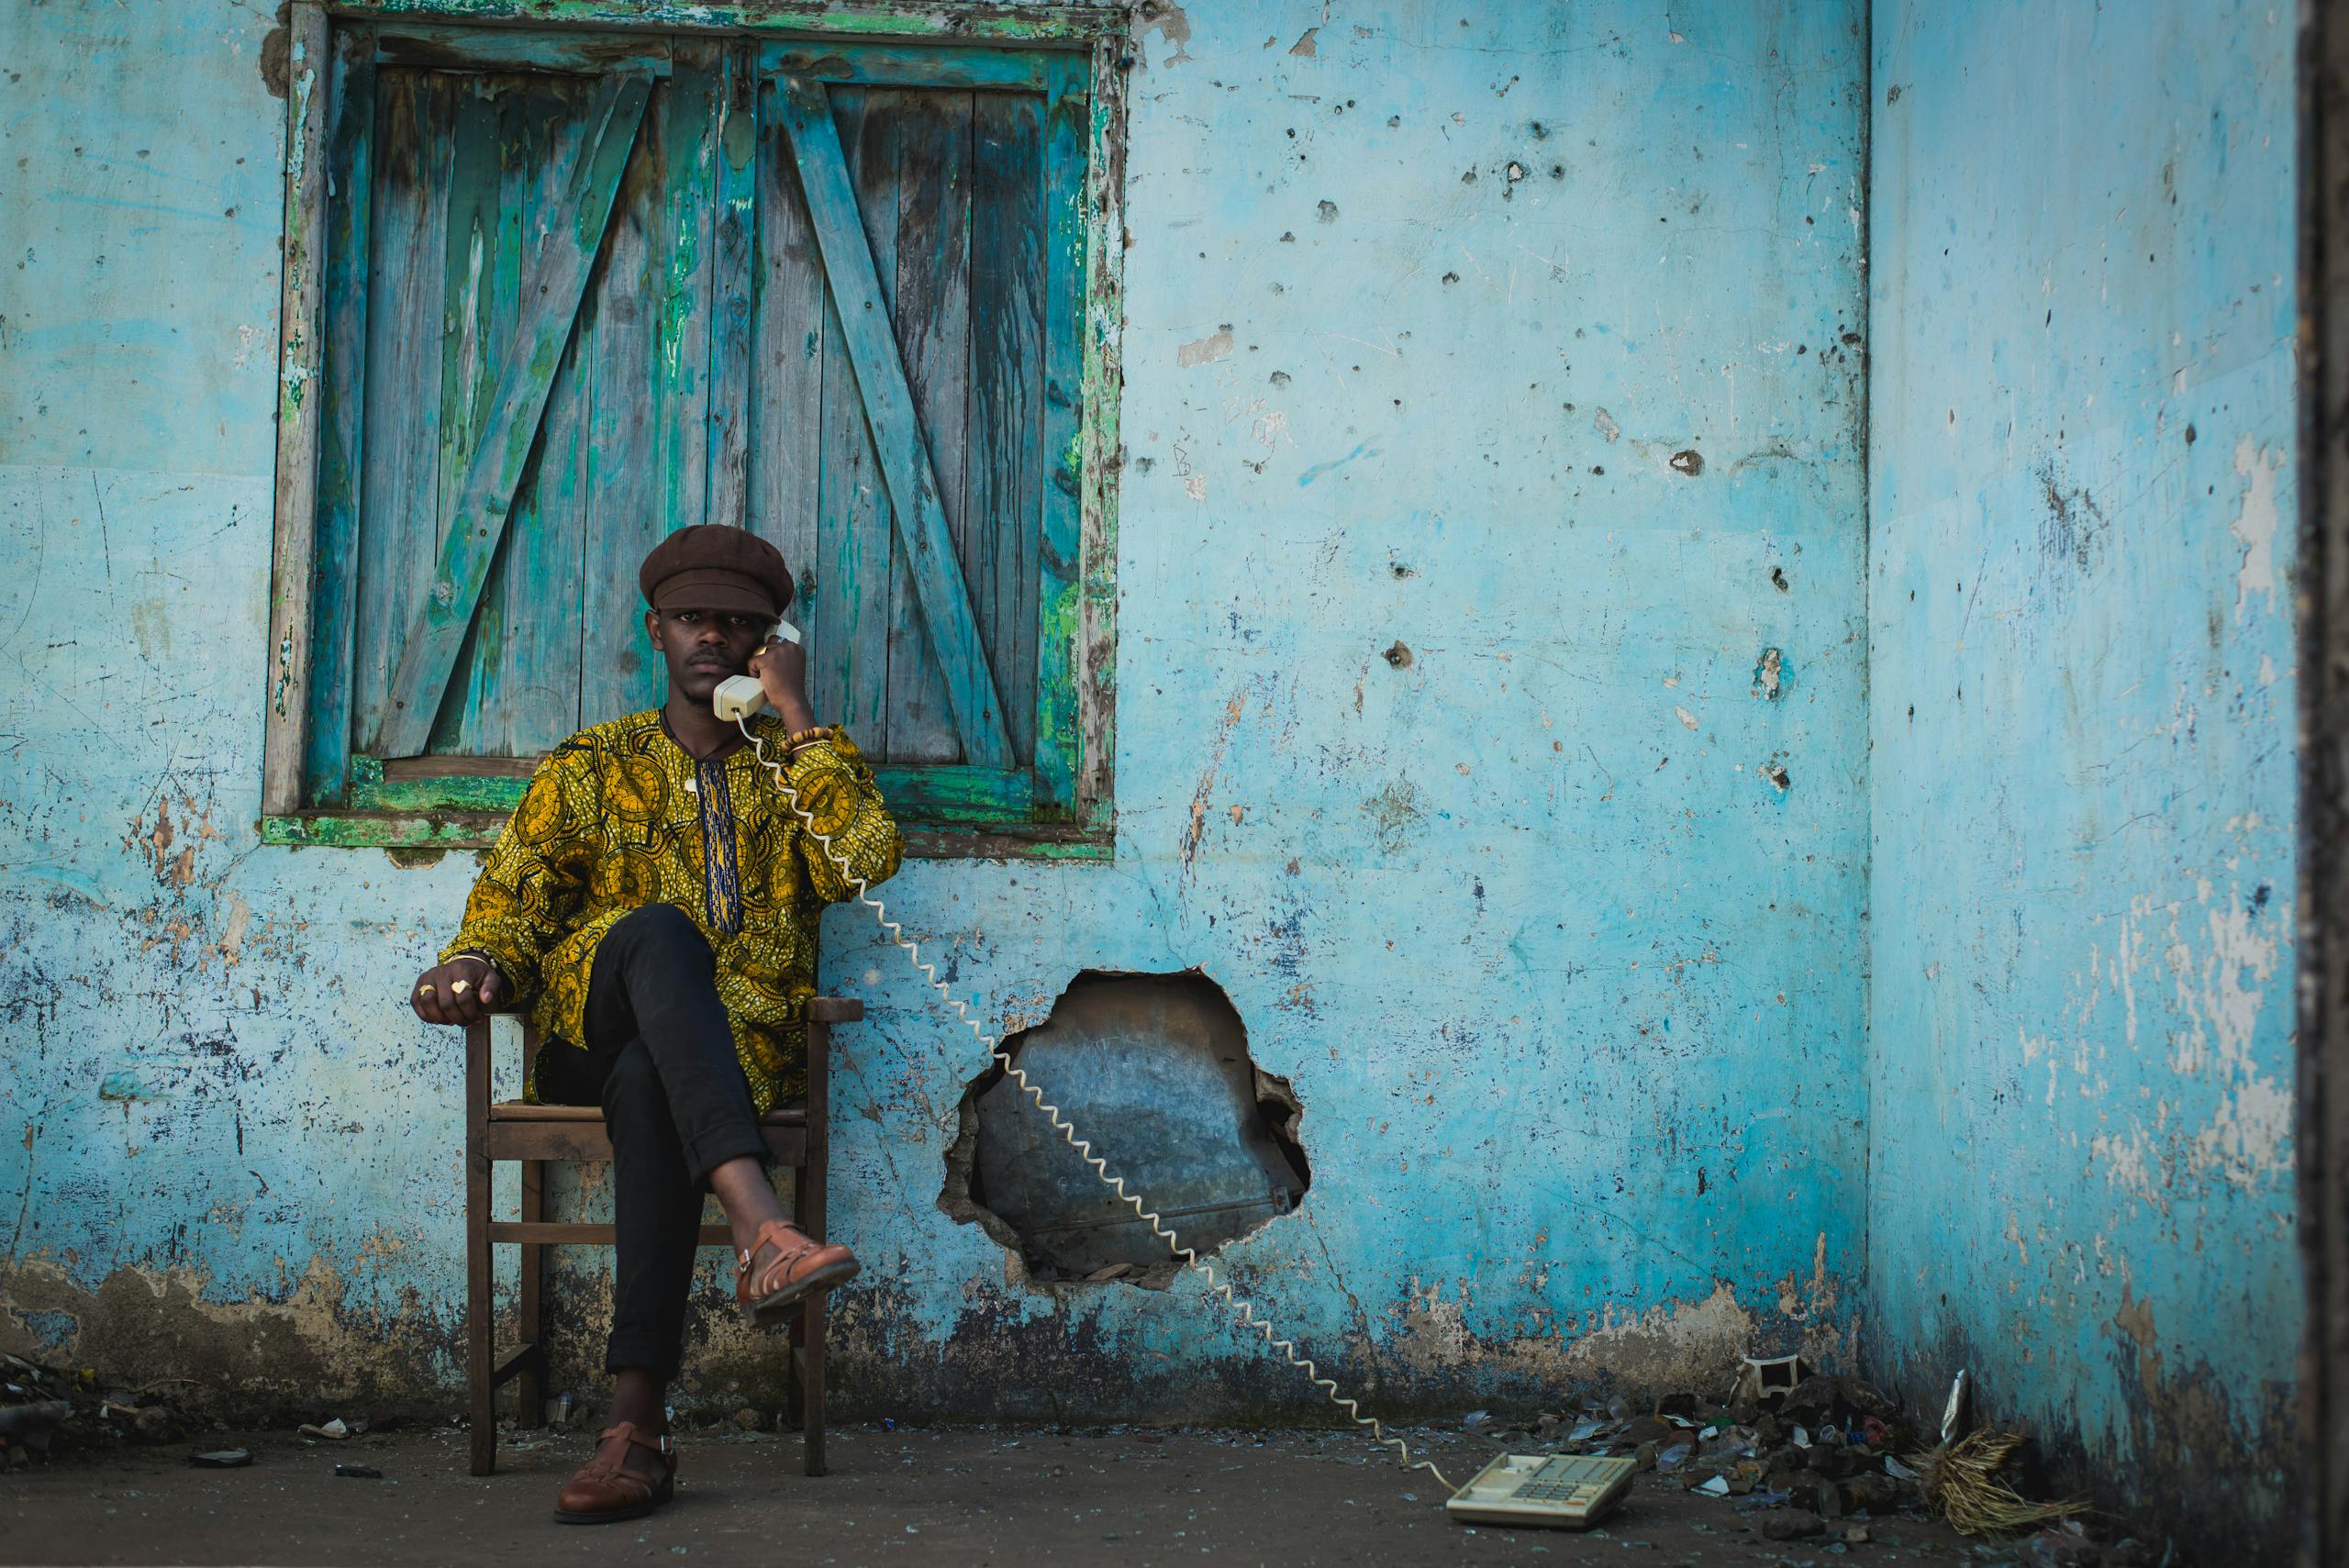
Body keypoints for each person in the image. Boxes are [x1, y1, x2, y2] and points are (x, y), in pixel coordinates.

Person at [406, 523, 903, 1525]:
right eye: (692, 619)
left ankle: (634, 1429)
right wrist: (474, 961)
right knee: (656, 936)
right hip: (582, 1035)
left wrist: (799, 715)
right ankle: (763, 1224)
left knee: (652, 1081)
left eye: (738, 625)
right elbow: (513, 901)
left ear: (767, 645)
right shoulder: (589, 765)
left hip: (722, 1059)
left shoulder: (787, 765)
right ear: (655, 630)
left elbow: (859, 863)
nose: (711, 638)